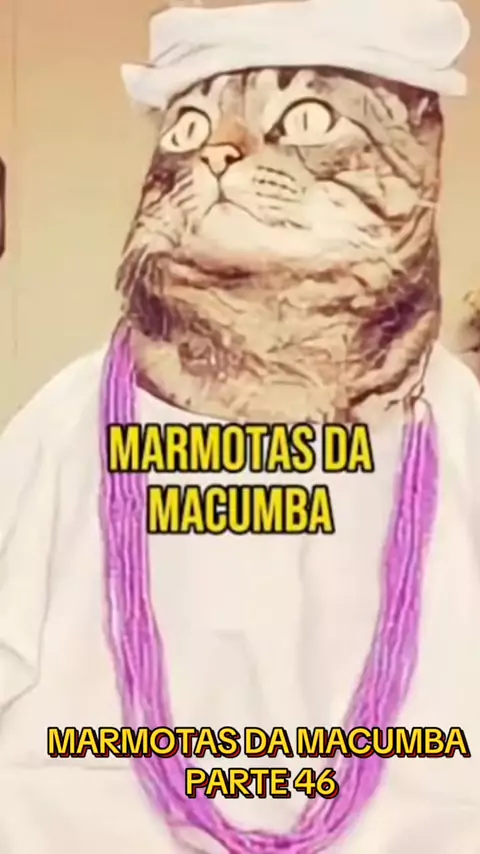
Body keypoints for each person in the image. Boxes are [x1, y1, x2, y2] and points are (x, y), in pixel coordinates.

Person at [0, 1, 479, 851]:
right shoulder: (74, 417)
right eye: (192, 128)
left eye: (306, 119)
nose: (223, 154)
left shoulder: (455, 423)